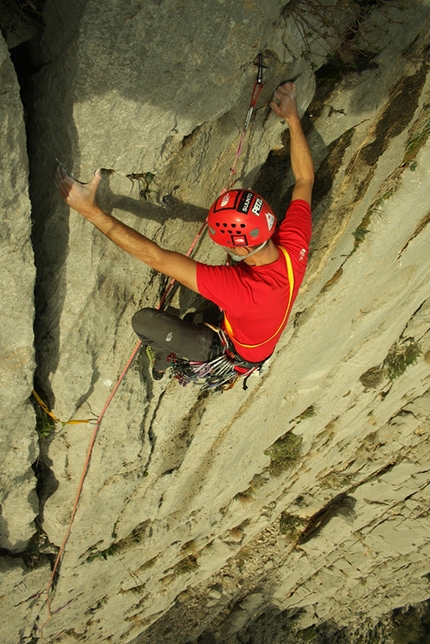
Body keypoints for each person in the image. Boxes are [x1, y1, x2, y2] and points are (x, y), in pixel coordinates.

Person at [55, 82, 314, 384]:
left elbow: (156, 257)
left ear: (242, 250)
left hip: (232, 352)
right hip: (252, 328)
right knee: (195, 318)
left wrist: (91, 211)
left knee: (145, 322)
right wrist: (292, 118)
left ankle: (168, 356)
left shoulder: (240, 291)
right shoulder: (293, 244)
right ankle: (203, 325)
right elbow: (305, 179)